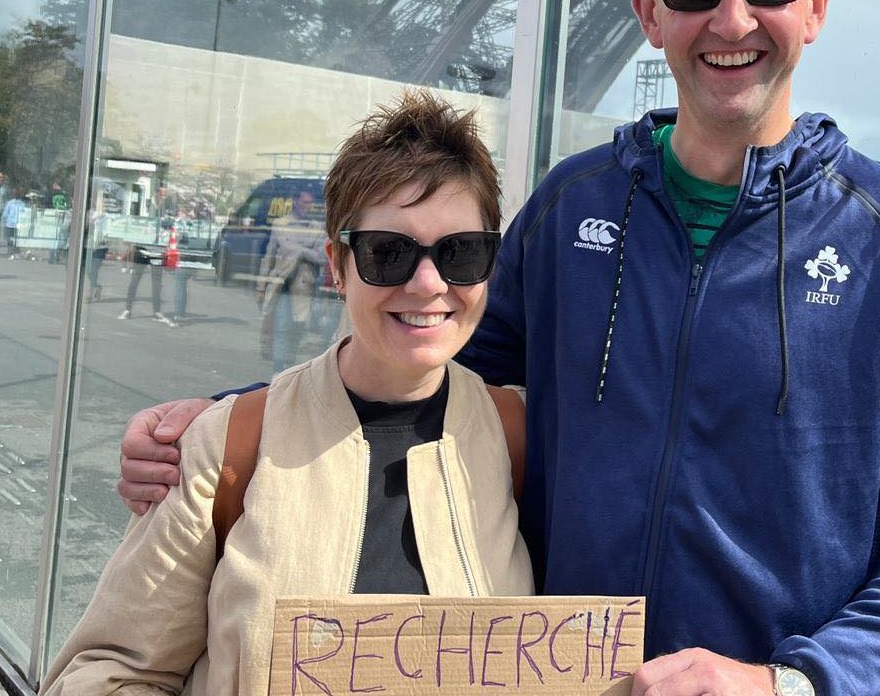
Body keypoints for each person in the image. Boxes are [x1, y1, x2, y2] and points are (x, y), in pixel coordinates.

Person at [116, 0, 880, 696]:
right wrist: (226, 419)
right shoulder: (572, 207)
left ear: (815, 2)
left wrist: (792, 683)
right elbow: (420, 357)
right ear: (649, 11)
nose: (733, 17)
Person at [42, 92, 532, 695]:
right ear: (337, 264)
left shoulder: (517, 436)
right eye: (388, 253)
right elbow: (109, 671)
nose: (429, 284)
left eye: (461, 253)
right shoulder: (226, 447)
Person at [257, 188, 324, 373]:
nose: (307, 208)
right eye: (304, 203)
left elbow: (322, 257)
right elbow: (269, 258)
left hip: (303, 288)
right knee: (282, 326)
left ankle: (289, 367)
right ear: (295, 201)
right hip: (281, 285)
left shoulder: (316, 228)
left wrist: (299, 251)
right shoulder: (281, 224)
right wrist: (261, 286)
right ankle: (279, 368)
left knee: (297, 329)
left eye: (310, 204)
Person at [3, 188, 26, 258]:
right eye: (15, 193)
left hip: (16, 225)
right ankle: (11, 252)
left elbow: (24, 214)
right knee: (11, 238)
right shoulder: (11, 203)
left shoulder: (21, 204)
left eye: (17, 193)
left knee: (16, 239)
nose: (15, 194)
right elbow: (5, 214)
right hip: (11, 224)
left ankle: (15, 252)